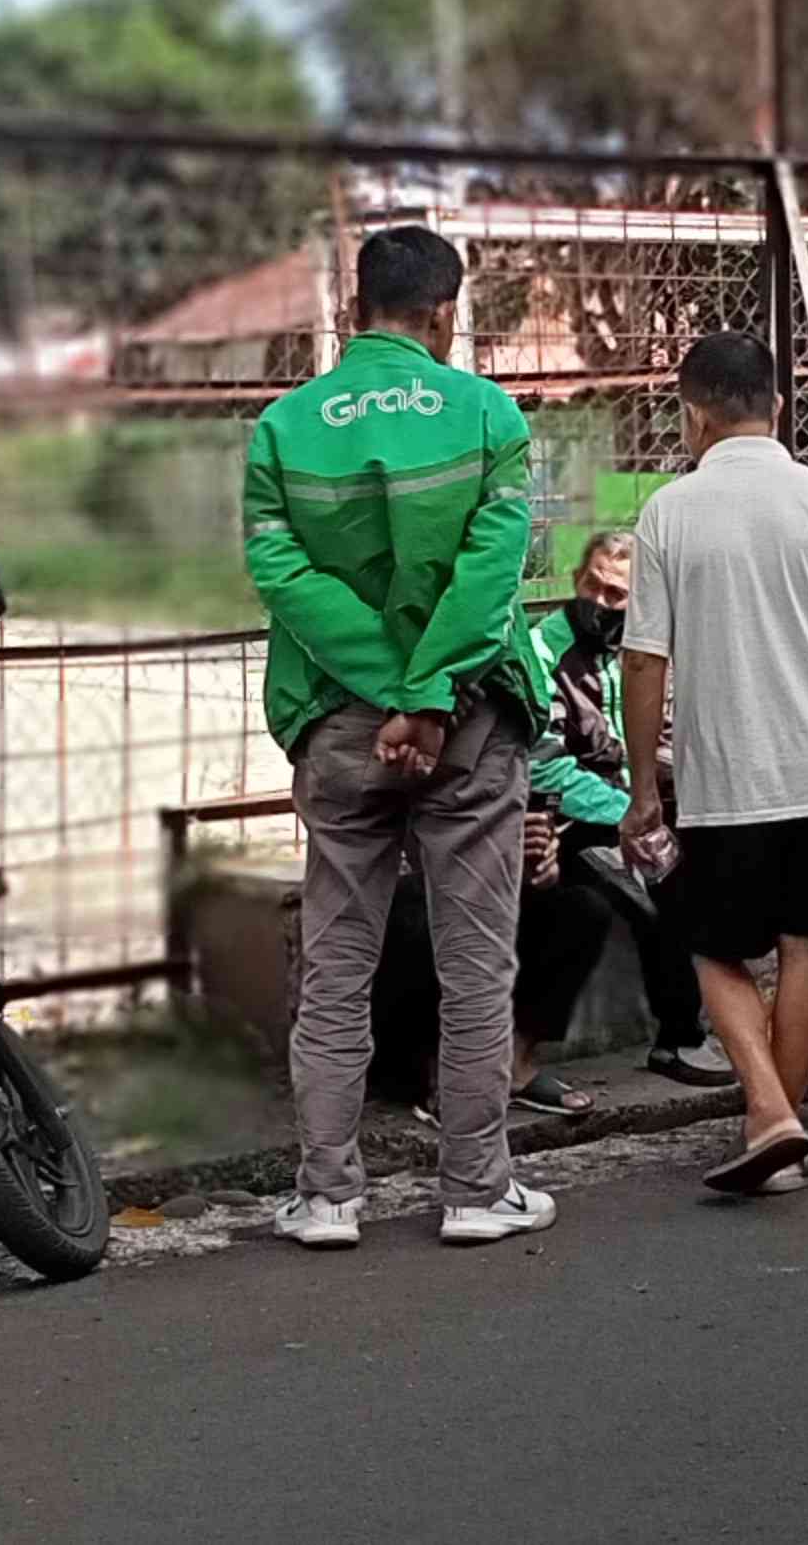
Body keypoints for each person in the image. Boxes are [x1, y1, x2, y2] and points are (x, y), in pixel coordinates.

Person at [243, 223, 558, 1250]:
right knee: (479, 963)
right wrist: (426, 696)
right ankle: (475, 1188)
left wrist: (380, 690)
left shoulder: (284, 429)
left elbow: (284, 578)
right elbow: (492, 570)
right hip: (464, 719)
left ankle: (329, 1194)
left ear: (353, 309)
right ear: (445, 314)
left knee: (337, 960)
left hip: (337, 722)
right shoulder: (486, 414)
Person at [619, 331, 808, 1197]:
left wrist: (643, 788)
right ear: (777, 404)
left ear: (692, 413)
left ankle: (770, 1114)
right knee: (805, 948)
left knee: (713, 950)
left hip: (726, 779)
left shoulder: (669, 512)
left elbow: (644, 662)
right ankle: (783, 1128)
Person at [533, 532, 731, 1086]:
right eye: (590, 584)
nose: (599, 600)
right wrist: (627, 812)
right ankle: (679, 1040)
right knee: (660, 889)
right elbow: (541, 765)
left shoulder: (642, 652)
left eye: (616, 593)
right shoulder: (545, 651)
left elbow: (665, 737)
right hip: (568, 822)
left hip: (636, 809)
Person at [371, 804, 616, 1122]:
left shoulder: (506, 760)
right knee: (420, 910)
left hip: (485, 875)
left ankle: (516, 1067)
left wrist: (537, 858)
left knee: (583, 910)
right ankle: (440, 1074)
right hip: (409, 883)